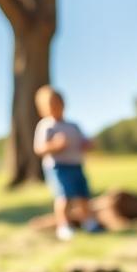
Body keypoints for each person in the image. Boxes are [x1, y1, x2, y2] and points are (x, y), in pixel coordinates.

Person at [33, 85, 102, 242]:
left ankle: (88, 222)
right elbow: (39, 148)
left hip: (76, 165)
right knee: (63, 197)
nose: (55, 108)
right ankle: (63, 226)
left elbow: (82, 142)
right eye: (50, 105)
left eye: (57, 104)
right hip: (58, 167)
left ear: (63, 104)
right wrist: (54, 145)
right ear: (42, 109)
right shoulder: (46, 126)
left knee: (83, 195)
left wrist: (87, 144)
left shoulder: (73, 126)